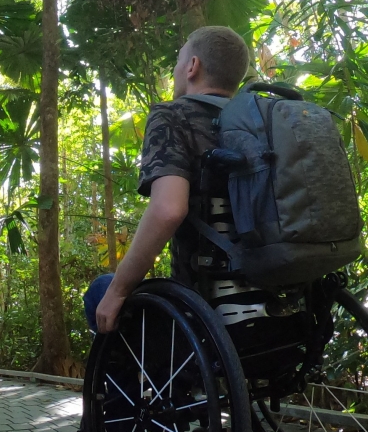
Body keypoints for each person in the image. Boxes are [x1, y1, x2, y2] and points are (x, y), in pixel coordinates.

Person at [86, 26, 250, 334]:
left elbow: (168, 209)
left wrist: (119, 291)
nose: (175, 70)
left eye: (178, 61)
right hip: (281, 295)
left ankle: (129, 383)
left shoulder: (172, 115)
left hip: (203, 306)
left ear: (192, 67)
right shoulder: (262, 124)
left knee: (102, 290)